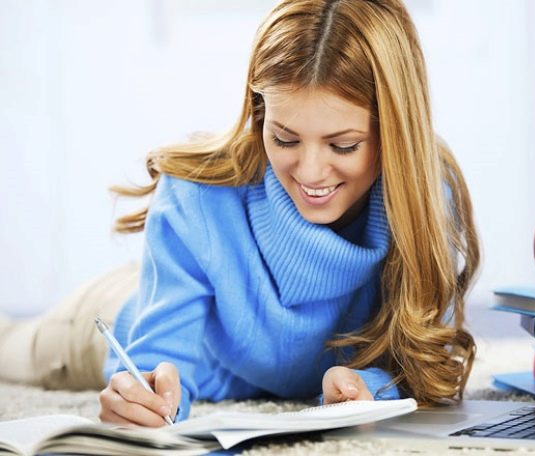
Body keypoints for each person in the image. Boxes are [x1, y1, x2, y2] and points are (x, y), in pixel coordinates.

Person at [0, 0, 480, 427]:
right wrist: (145, 394)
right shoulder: (195, 193)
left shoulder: (424, 195)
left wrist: (366, 386)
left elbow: (424, 359)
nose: (310, 171)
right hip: (122, 312)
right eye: (285, 139)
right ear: (260, 113)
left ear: (396, 131)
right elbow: (155, 358)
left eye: (343, 145)